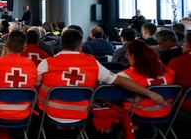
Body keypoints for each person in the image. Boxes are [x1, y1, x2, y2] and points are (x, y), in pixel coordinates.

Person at [35, 29, 164, 124]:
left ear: (61, 44)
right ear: (80, 46)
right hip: (82, 113)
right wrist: (149, 93)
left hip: (51, 111)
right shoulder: (92, 63)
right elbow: (118, 80)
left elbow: (34, 84)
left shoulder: (46, 63)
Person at [0, 31, 38, 120]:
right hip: (23, 111)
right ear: (24, 48)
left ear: (5, 44)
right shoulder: (32, 65)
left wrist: (1, 56)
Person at [119, 40, 176, 118]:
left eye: (127, 55)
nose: (127, 58)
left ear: (132, 55)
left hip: (140, 112)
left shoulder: (126, 75)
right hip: (165, 112)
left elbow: (112, 82)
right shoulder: (169, 72)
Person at [168, 32, 191, 116]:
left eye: (183, 42)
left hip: (185, 106)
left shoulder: (176, 62)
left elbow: (167, 82)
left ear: (187, 44)